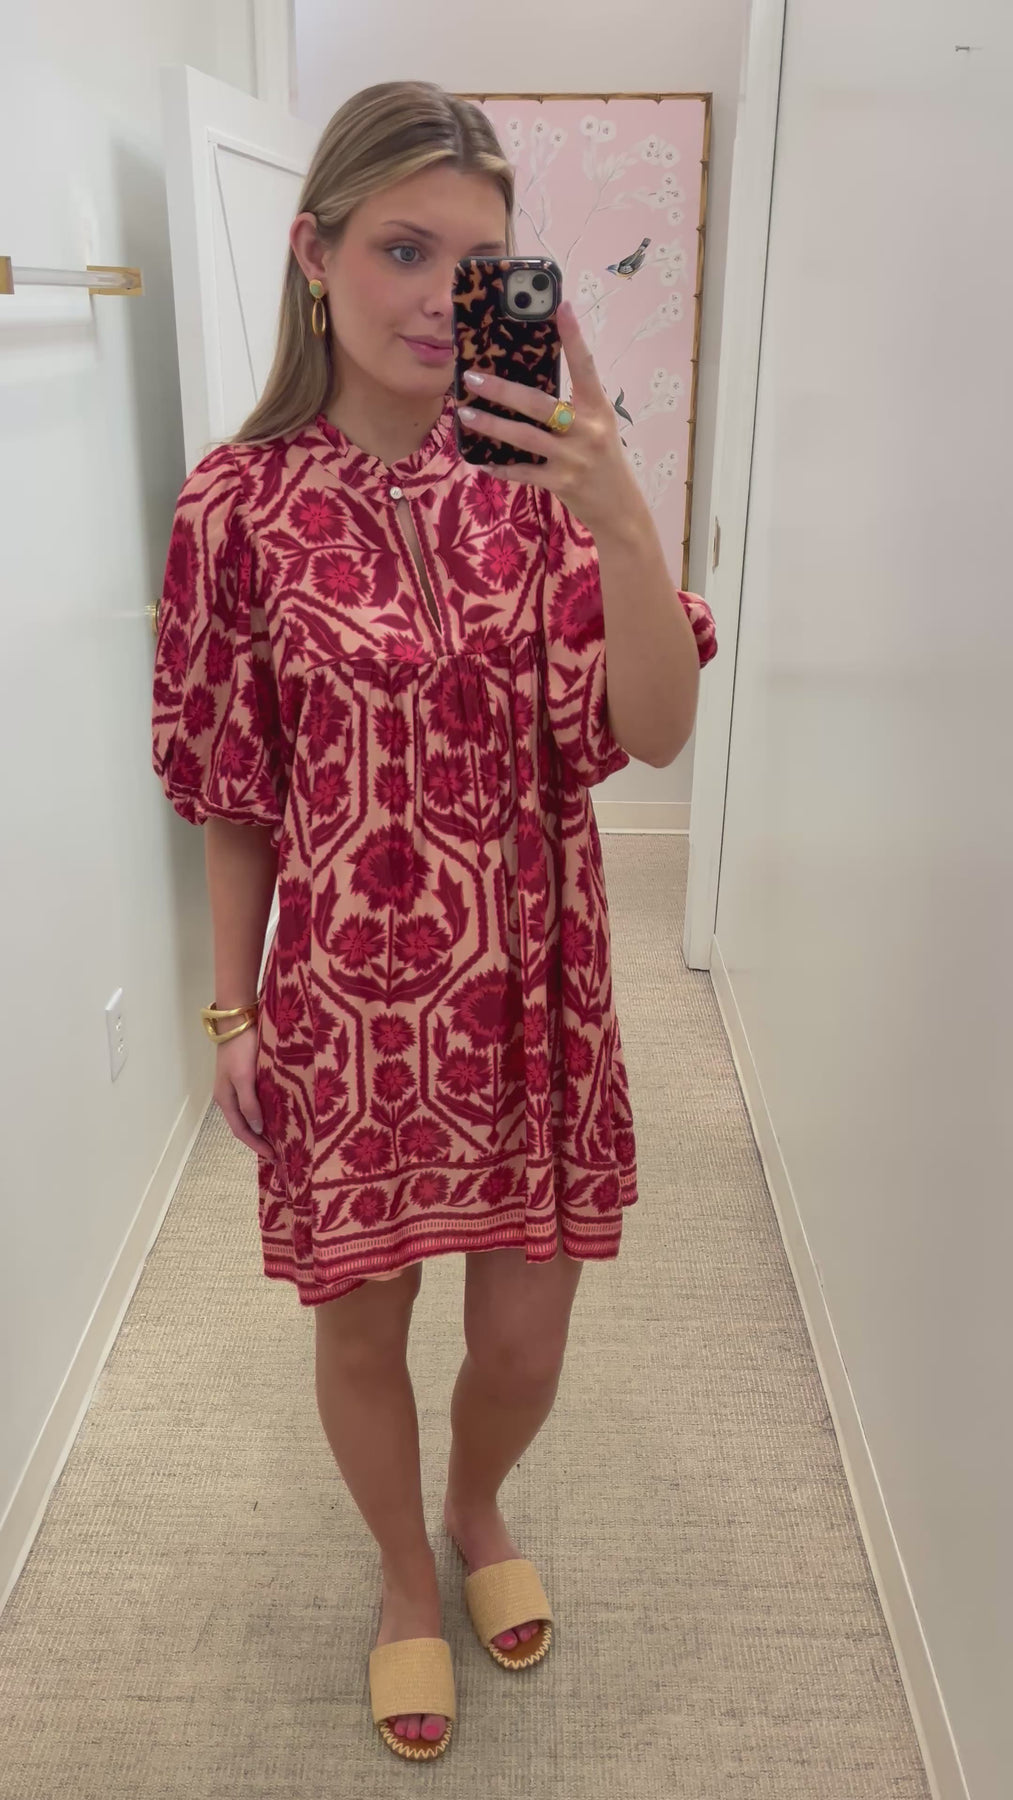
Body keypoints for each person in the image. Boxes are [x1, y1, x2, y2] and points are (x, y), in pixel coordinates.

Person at [151, 79, 716, 1763]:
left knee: (525, 1341)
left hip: (537, 989)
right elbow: (232, 789)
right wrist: (231, 1010)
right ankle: (407, 1572)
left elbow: (655, 731)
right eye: (401, 250)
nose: (433, 300)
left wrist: (617, 506)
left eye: (477, 268)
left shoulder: (538, 483)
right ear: (313, 253)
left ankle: (477, 1501)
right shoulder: (232, 506)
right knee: (362, 1329)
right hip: (348, 1003)